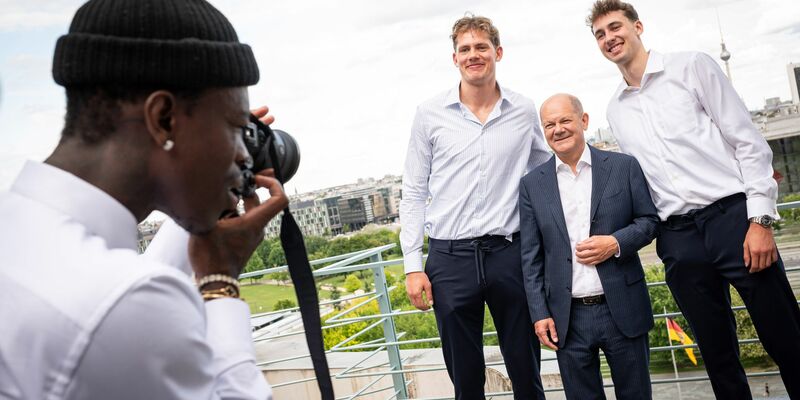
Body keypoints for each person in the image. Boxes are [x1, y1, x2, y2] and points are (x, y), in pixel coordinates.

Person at [0, 0, 287, 399]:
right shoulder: (125, 302)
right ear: (164, 117)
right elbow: (120, 302)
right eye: (237, 128)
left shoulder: (22, 234)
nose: (243, 154)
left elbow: (111, 280)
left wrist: (200, 220)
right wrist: (220, 284)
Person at [587, 1, 800, 398]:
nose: (609, 38)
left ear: (638, 26)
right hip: (679, 239)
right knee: (717, 356)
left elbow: (748, 143)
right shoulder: (616, 109)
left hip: (734, 221)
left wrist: (760, 220)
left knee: (787, 338)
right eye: (600, 34)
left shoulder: (692, 67)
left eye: (615, 27)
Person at [399, 14, 550, 400]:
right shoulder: (429, 114)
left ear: (497, 52)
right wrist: (413, 266)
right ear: (455, 59)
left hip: (509, 254)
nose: (473, 55)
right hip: (450, 260)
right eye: (464, 49)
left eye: (481, 47)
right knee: (466, 381)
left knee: (525, 370)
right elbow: (414, 192)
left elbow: (545, 175)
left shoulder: (523, 110)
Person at [519, 93, 659, 399]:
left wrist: (615, 242)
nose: (558, 129)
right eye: (549, 125)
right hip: (566, 318)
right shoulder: (532, 184)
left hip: (621, 307)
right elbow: (530, 257)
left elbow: (649, 221)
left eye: (565, 120)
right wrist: (539, 313)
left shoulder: (623, 167)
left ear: (583, 121)